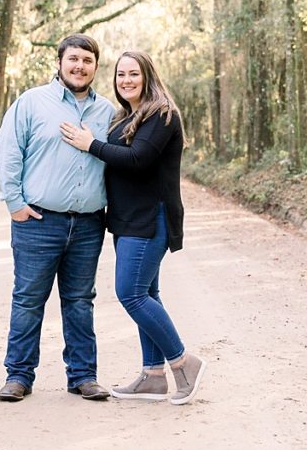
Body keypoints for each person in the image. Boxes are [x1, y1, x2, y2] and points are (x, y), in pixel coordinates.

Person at [60, 50, 207, 405]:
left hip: (149, 218)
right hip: (127, 219)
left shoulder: (161, 113)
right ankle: (153, 376)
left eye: (133, 74)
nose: (126, 80)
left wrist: (90, 144)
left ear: (147, 76)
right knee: (148, 295)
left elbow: (138, 160)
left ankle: (184, 363)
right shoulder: (128, 116)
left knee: (131, 294)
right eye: (121, 74)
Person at [0, 34, 116, 402]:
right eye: (73, 59)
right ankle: (18, 375)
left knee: (80, 301)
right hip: (38, 222)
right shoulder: (33, 102)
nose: (80, 66)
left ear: (96, 66)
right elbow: (8, 150)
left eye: (87, 60)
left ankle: (83, 376)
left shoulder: (108, 112)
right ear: (60, 62)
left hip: (89, 223)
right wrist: (14, 202)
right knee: (29, 299)